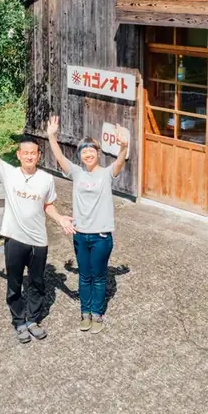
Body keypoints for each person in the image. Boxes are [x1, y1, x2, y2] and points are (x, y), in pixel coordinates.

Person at [0, 111, 75, 344]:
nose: (29, 156)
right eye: (25, 153)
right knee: (14, 283)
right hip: (15, 239)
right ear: (18, 155)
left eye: (33, 153)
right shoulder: (9, 174)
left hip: (39, 240)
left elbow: (48, 205)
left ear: (38, 156)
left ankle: (33, 320)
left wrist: (60, 219)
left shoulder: (46, 179)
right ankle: (19, 321)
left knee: (38, 283)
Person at [45, 115, 128, 334]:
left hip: (101, 236)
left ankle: (97, 314)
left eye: (92, 150)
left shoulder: (107, 174)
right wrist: (51, 136)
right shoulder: (76, 172)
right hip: (80, 234)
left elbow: (120, 161)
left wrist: (124, 146)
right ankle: (85, 312)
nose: (88, 154)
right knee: (84, 275)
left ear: (98, 154)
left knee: (99, 276)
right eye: (84, 151)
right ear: (80, 156)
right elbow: (59, 156)